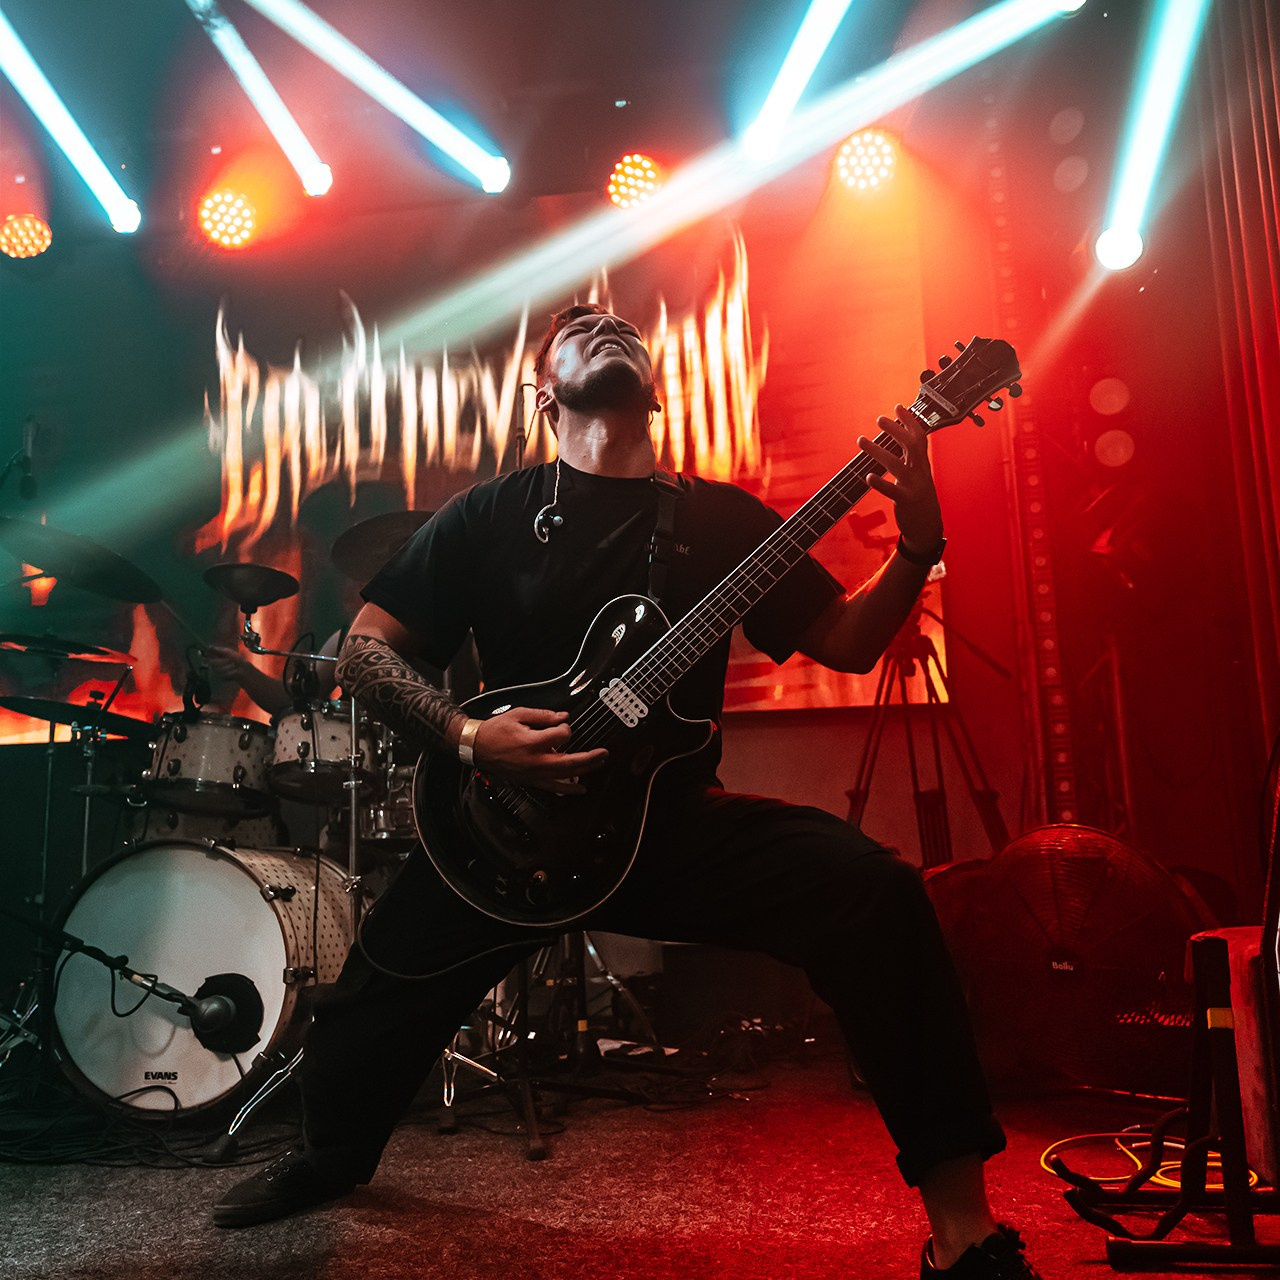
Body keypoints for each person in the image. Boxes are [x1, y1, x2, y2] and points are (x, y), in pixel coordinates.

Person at [212, 304, 1042, 1279]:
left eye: (621, 327)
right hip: (500, 830)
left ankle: (964, 1234)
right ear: (542, 395)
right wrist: (471, 738)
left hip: (666, 826)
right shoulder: (488, 514)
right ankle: (329, 1157)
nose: (606, 328)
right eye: (579, 329)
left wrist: (916, 545)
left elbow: (850, 644)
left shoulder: (721, 520)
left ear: (655, 389)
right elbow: (364, 652)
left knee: (876, 893)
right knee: (366, 1011)